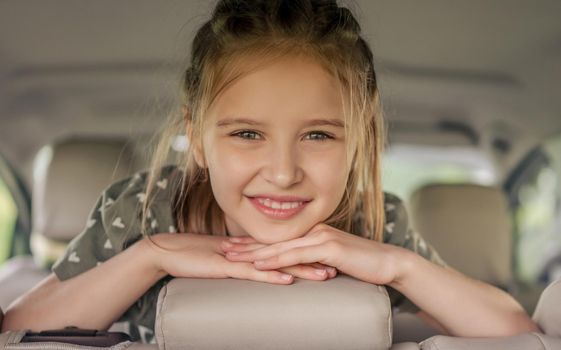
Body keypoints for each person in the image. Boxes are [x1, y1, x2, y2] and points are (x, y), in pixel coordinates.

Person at [2, 0, 538, 344]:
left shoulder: (372, 220)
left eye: (319, 135)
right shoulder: (143, 207)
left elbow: (518, 333)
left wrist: (398, 268)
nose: (282, 174)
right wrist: (149, 256)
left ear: (359, 144)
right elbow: (17, 331)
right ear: (200, 137)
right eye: (247, 134)